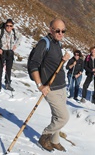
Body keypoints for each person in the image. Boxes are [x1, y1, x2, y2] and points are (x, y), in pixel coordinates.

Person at [29, 18, 70, 152]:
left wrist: (63, 60)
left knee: (56, 116)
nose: (60, 33)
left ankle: (55, 140)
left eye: (63, 31)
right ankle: (45, 135)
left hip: (61, 86)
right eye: (57, 30)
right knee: (63, 117)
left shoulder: (57, 43)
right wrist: (40, 85)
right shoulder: (43, 43)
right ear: (50, 30)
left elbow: (52, 64)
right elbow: (33, 65)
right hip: (50, 87)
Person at [0, 19, 22, 94]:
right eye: (7, 25)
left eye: (10, 26)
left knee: (8, 69)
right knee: (0, 70)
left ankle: (8, 84)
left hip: (10, 52)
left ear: (12, 26)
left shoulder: (14, 32)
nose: (8, 27)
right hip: (2, 52)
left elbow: (20, 37)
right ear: (5, 25)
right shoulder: (0, 32)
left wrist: (15, 46)